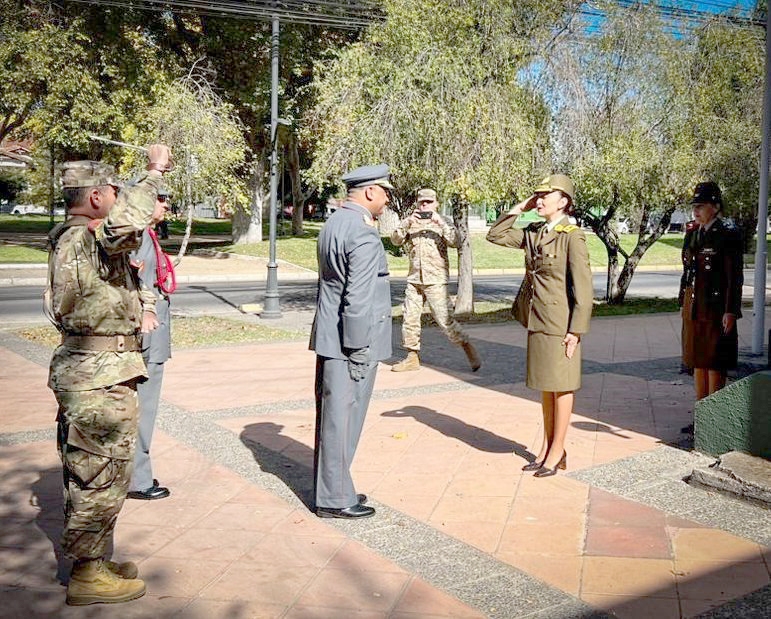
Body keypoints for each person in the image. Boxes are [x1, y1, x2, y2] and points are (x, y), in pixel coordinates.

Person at [46, 145, 171, 605]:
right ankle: (86, 574)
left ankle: (94, 558)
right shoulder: (85, 237)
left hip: (96, 370)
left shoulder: (80, 239)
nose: (120, 202)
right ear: (96, 197)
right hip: (96, 375)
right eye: (114, 194)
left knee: (97, 469)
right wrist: (153, 171)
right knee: (98, 474)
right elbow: (126, 223)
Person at [486, 174, 593, 477]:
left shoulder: (572, 235)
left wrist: (576, 330)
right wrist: (521, 207)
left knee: (562, 386)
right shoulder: (534, 231)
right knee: (547, 387)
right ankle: (549, 448)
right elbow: (495, 235)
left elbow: (583, 289)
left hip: (560, 324)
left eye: (547, 195)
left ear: (564, 202)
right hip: (537, 318)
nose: (541, 199)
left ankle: (557, 449)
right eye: (538, 195)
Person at [309, 164, 394, 519]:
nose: (388, 200)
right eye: (385, 192)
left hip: (331, 334)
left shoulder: (334, 222)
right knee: (343, 419)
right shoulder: (362, 233)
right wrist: (358, 349)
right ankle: (334, 498)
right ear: (371, 192)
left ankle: (333, 485)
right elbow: (357, 299)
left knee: (332, 417)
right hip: (350, 340)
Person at [390, 188, 481, 372]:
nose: (425, 205)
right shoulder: (411, 222)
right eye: (422, 202)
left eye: (429, 202)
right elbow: (395, 240)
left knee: (444, 320)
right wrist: (406, 223)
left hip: (436, 280)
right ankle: (412, 356)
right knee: (410, 318)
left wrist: (440, 223)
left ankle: (466, 345)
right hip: (415, 278)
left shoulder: (443, 222)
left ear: (436, 203)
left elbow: (456, 241)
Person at [127, 187, 175, 501]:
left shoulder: (145, 233)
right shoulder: (138, 236)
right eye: (160, 199)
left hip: (150, 336)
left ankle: (136, 474)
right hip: (146, 337)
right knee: (143, 409)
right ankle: (138, 479)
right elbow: (136, 285)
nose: (166, 206)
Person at [679, 181, 743, 408]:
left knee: (715, 362)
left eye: (701, 206)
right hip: (695, 307)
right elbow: (687, 273)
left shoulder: (726, 236)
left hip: (716, 308)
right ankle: (700, 413)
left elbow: (733, 278)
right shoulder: (693, 235)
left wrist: (731, 311)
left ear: (715, 207)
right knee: (697, 360)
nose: (696, 211)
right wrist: (682, 303)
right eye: (694, 206)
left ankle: (713, 415)